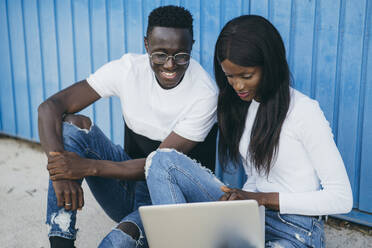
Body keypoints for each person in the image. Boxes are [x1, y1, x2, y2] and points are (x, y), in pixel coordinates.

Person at [145, 15, 353, 248]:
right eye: (229, 76)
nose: (238, 86)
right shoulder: (247, 106)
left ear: (270, 65)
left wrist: (260, 199)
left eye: (246, 76)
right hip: (253, 217)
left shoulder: (305, 112)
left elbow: (341, 198)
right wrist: (239, 202)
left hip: (294, 230)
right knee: (161, 160)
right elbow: (257, 178)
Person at [38, 5, 218, 248]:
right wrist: (59, 171)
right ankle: (60, 241)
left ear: (192, 46)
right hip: (130, 189)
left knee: (117, 242)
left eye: (181, 55)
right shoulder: (128, 71)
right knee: (73, 128)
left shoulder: (204, 94)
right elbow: (50, 107)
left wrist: (87, 167)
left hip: (173, 202)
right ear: (146, 45)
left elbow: (158, 167)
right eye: (160, 54)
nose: (169, 65)